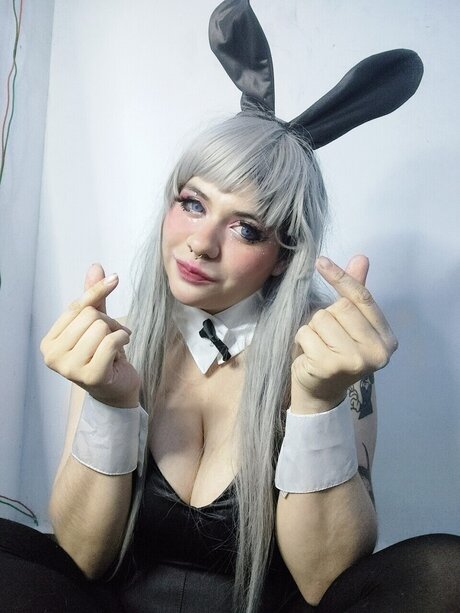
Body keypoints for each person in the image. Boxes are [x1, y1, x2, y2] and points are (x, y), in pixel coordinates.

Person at [1, 2, 459, 612]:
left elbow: (325, 581)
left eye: (246, 228)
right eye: (193, 204)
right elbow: (86, 558)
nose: (200, 243)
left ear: (283, 256)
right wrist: (110, 403)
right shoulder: (113, 342)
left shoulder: (328, 357)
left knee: (443, 572)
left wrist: (318, 402)